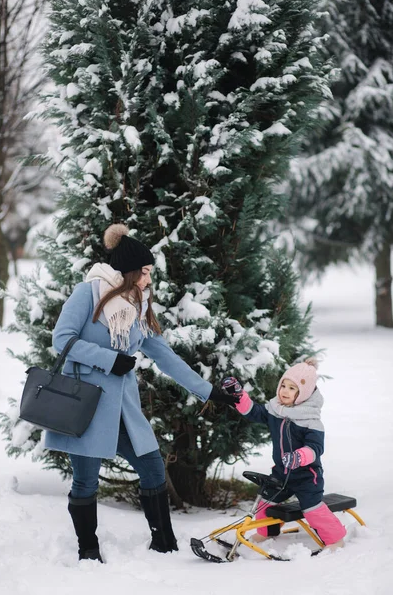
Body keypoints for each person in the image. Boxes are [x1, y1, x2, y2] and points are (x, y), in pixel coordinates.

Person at [45, 223, 238, 562]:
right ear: (129, 270)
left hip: (123, 410)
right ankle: (88, 551)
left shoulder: (137, 305)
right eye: (145, 272)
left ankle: (164, 545)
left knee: (151, 467)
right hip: (86, 407)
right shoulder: (86, 293)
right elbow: (61, 340)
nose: (149, 279)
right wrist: (108, 359)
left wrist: (208, 392)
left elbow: (165, 356)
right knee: (86, 482)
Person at [222, 359, 347, 551]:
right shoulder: (275, 411)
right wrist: (239, 396)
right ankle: (267, 533)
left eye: (292, 388)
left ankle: (336, 539)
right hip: (281, 473)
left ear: (303, 394)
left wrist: (299, 457)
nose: (285, 391)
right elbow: (253, 412)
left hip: (307, 477)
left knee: (313, 510)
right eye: (283, 385)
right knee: (265, 504)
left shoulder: (311, 420)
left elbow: (315, 448)